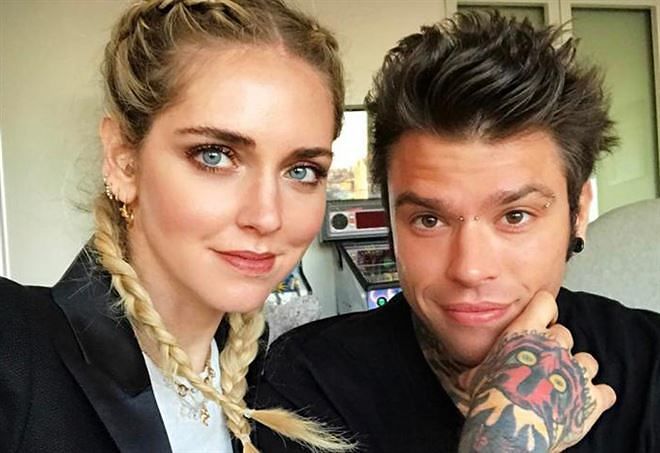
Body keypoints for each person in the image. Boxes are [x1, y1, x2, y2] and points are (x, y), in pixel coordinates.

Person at [0, 2, 606, 453]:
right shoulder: (16, 353)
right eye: (215, 155)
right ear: (123, 160)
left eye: (301, 170)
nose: (267, 215)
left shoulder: (261, 389)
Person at [256, 11, 660, 453]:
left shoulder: (651, 362)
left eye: (515, 216)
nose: (470, 269)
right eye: (429, 220)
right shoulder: (304, 385)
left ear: (577, 213)